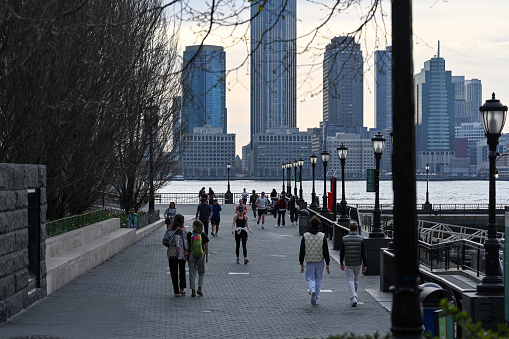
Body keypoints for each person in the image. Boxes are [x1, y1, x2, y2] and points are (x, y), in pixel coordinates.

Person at [299, 216, 330, 306]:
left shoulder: (305, 235)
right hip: (320, 260)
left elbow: (302, 250)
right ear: (319, 225)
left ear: (310, 224)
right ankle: (316, 297)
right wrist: (328, 263)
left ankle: (312, 290)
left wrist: (301, 262)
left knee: (310, 277)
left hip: (309, 260)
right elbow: (325, 250)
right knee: (318, 278)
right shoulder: (322, 236)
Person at [340, 221, 368, 307]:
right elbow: (364, 253)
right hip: (358, 263)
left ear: (349, 229)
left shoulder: (344, 239)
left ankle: (353, 296)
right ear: (356, 229)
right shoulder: (361, 239)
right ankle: (354, 296)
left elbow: (342, 252)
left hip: (348, 262)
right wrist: (365, 264)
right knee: (356, 280)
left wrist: (341, 263)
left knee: (350, 280)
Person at [162, 214, 188, 297]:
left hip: (172, 251)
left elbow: (164, 241)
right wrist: (187, 253)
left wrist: (170, 246)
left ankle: (176, 291)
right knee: (182, 270)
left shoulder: (169, 230)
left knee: (173, 271)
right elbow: (186, 243)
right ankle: (182, 289)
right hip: (181, 252)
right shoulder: (183, 231)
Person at [187, 220, 209, 297]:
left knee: (192, 272)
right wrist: (206, 256)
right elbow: (206, 246)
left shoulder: (190, 234)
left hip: (192, 254)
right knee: (201, 272)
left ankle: (193, 290)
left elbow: (188, 246)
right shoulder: (203, 235)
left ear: (195, 226)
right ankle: (200, 287)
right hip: (201, 255)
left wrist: (187, 255)